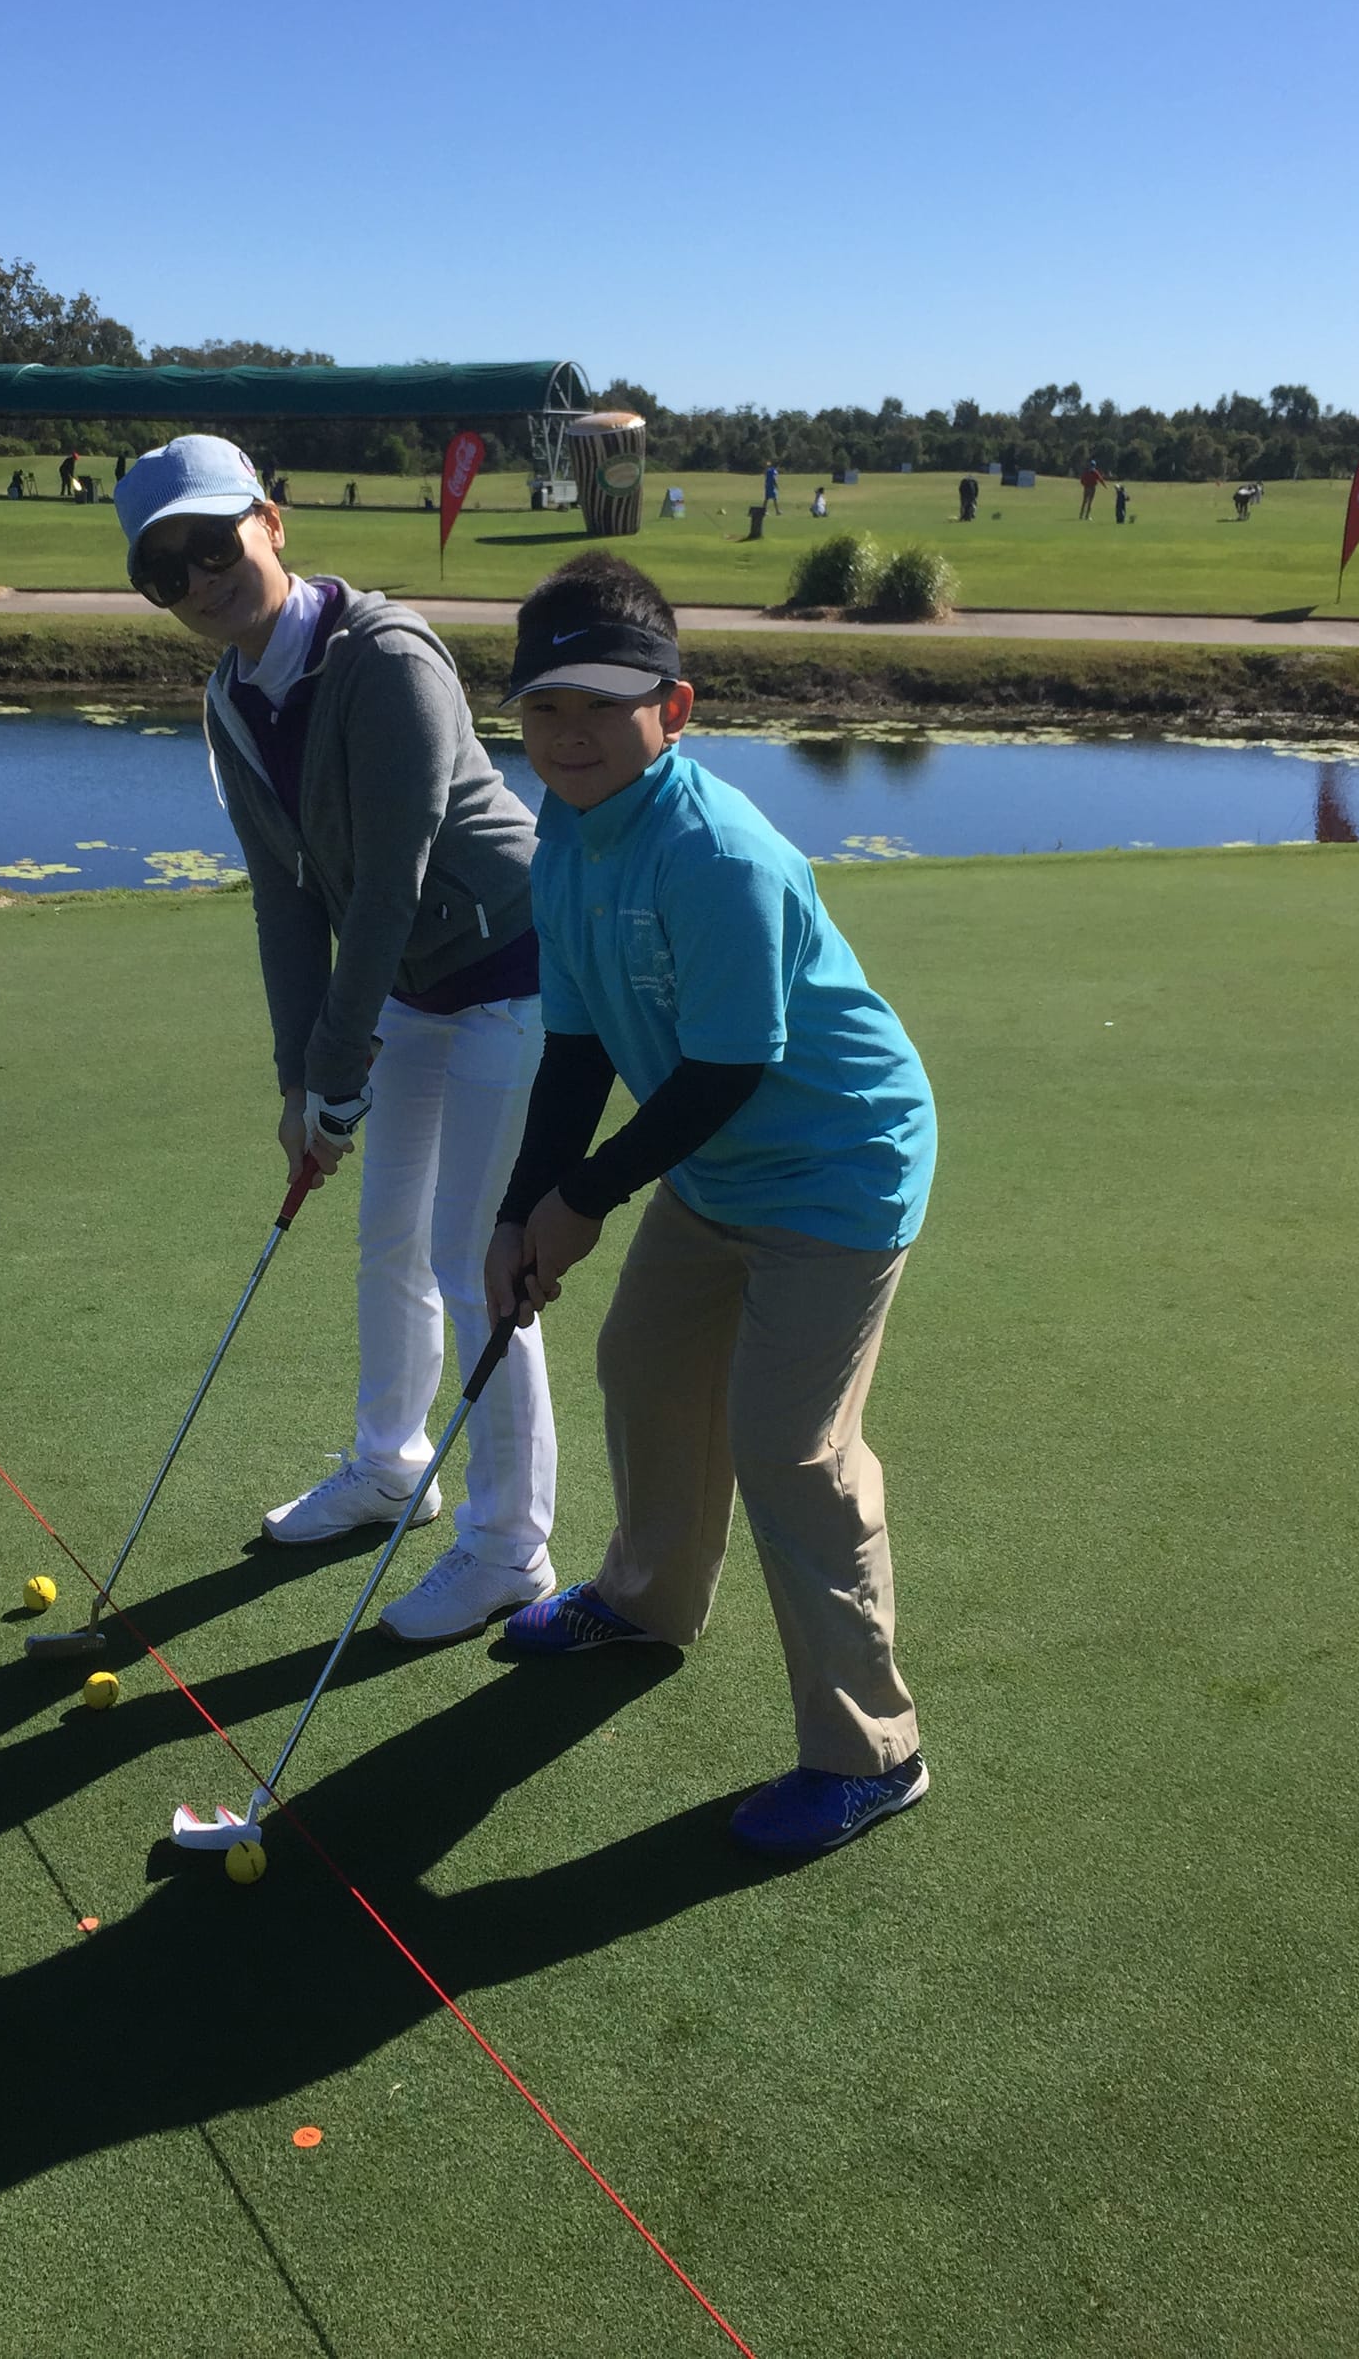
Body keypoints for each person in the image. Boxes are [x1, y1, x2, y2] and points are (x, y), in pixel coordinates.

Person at [483, 554, 936, 1860]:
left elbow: (727, 1068)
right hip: (718, 1166)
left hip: (838, 1168)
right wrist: (519, 1211)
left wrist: (583, 1198)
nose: (568, 734)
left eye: (602, 706)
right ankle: (647, 1600)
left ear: (673, 710)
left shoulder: (718, 852)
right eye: (544, 706)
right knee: (644, 1366)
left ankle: (872, 1754)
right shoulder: (564, 832)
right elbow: (576, 1049)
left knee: (791, 1447)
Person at [116, 436, 558, 1643]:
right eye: (165, 571)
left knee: (475, 1260)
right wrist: (297, 1082)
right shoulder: (230, 697)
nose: (200, 581)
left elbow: (389, 883)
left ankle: (509, 1548)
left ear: (269, 520)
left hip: (511, 971)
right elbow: (286, 898)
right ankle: (389, 1466)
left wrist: (337, 1065)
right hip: (409, 984)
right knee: (387, 1239)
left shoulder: (387, 658)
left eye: (213, 544)